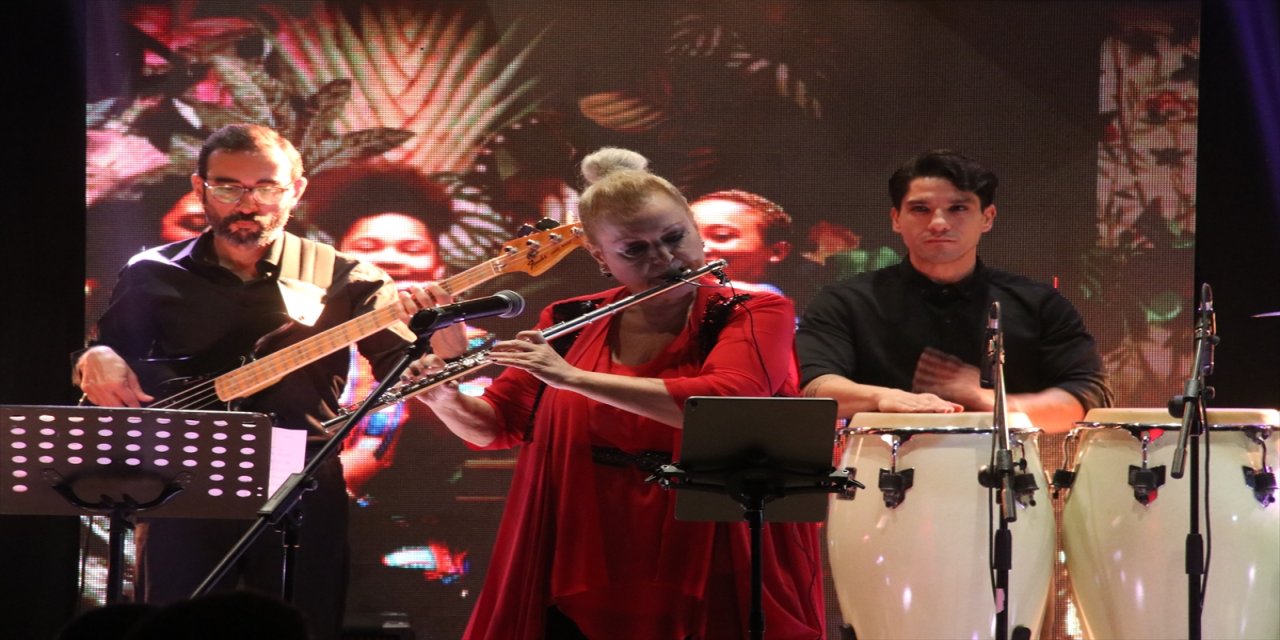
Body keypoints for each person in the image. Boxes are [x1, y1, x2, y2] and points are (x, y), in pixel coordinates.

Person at [415, 147, 827, 639]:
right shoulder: (568, 318)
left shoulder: (753, 312)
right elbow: (495, 426)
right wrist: (446, 400)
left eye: (675, 237)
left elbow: (726, 401)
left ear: (694, 230)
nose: (665, 258)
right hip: (584, 544)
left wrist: (572, 378)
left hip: (706, 548)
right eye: (635, 250)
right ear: (601, 257)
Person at [73, 123, 460, 640]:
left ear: (295, 190)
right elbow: (111, 351)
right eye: (228, 187)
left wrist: (444, 342)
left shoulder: (347, 276)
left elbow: (406, 367)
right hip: (181, 478)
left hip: (299, 479)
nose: (247, 203)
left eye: (266, 188)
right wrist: (94, 354)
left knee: (298, 625)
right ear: (200, 188)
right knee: (170, 626)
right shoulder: (150, 271)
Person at [796, 149, 1112, 433]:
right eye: (920, 209)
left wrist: (992, 402)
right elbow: (816, 387)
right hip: (880, 471)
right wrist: (884, 397)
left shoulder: (1039, 304)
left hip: (1009, 474)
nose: (938, 223)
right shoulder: (845, 301)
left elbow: (1088, 398)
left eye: (958, 208)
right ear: (896, 219)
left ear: (987, 218)